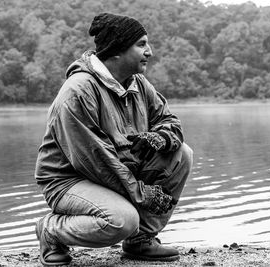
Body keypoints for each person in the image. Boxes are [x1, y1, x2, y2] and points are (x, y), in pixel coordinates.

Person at [34, 12, 193, 266]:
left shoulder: (138, 84)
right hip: (70, 180)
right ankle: (51, 231)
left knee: (181, 154)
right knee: (122, 221)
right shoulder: (78, 91)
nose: (149, 51)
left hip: (117, 175)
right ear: (117, 50)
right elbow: (97, 162)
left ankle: (141, 240)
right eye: (141, 44)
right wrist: (143, 194)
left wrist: (161, 138)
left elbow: (170, 121)